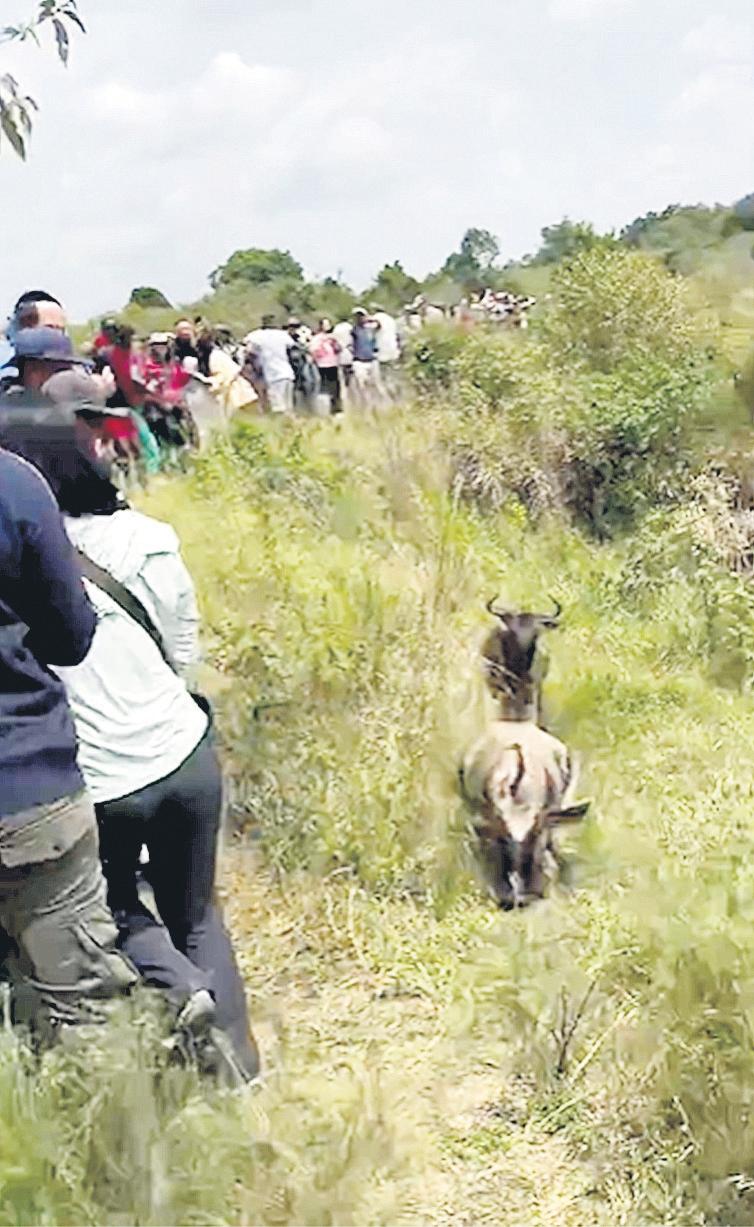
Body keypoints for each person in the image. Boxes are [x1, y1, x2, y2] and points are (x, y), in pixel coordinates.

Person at [40, 447, 259, 1081]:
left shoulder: (26, 571)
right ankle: (241, 1073)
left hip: (107, 781)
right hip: (183, 746)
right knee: (197, 913)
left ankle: (178, 986)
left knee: (113, 902)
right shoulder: (148, 538)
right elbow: (181, 646)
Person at [0, 443, 136, 1037]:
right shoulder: (13, 484)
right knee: (85, 1012)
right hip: (27, 785)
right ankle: (106, 1129)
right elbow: (70, 636)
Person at [244, 316, 294, 414]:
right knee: (288, 407)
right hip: (288, 374)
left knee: (278, 408)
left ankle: (281, 427)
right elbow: (291, 347)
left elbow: (249, 351)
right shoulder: (282, 335)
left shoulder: (257, 335)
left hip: (273, 375)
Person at [350, 308, 384, 409]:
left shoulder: (370, 329)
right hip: (360, 361)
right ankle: (365, 405)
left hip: (372, 360)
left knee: (376, 384)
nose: (360, 318)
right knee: (362, 386)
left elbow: (379, 326)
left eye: (362, 316)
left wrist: (371, 319)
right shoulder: (355, 330)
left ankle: (378, 405)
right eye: (358, 316)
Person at [309, 319, 342, 413]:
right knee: (325, 387)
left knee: (335, 387)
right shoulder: (317, 338)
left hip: (333, 364)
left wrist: (334, 342)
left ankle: (336, 408)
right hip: (322, 365)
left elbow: (338, 349)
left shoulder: (332, 337)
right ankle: (324, 408)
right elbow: (313, 351)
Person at [371, 305, 401, 401]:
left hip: (383, 352)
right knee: (394, 375)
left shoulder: (376, 318)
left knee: (384, 378)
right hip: (394, 350)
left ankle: (391, 398)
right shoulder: (391, 320)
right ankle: (398, 395)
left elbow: (372, 331)